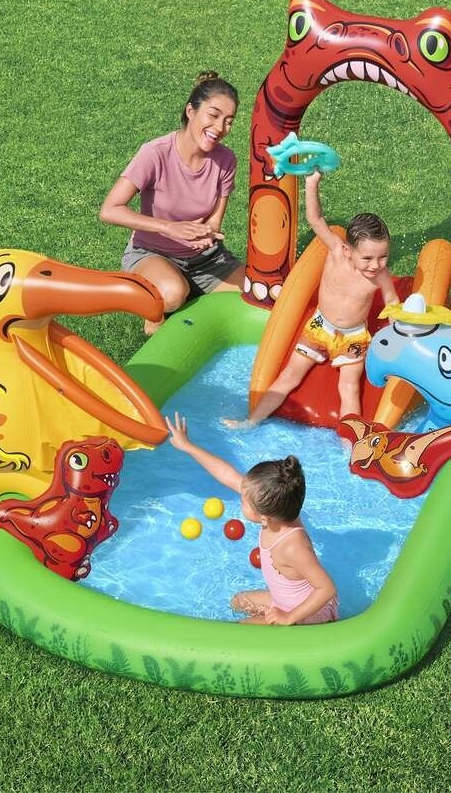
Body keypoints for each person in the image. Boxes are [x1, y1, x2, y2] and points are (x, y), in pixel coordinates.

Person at [225, 169, 399, 428]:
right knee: (289, 376)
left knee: (349, 387)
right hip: (320, 327)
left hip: (353, 336)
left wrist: (401, 329)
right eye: (367, 258)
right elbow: (315, 219)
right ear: (347, 250)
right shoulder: (335, 251)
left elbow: (392, 302)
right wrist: (312, 183)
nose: (376, 264)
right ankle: (250, 422)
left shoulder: (380, 275)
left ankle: (351, 443)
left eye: (383, 256)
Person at [99, 71, 245, 334]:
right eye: (213, 115)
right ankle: (157, 306)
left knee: (256, 294)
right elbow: (110, 210)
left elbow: (214, 220)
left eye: (228, 121)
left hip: (207, 259)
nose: (220, 128)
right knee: (172, 294)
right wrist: (168, 227)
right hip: (153, 253)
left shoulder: (226, 160)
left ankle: (190, 287)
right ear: (191, 111)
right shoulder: (155, 153)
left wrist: (208, 233)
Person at [165, 413, 338, 625]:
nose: (240, 499)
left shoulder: (293, 547)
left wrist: (289, 617)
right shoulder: (278, 505)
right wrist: (188, 446)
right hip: (285, 600)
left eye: (243, 502)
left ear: (264, 518)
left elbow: (327, 589)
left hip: (308, 614)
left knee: (239, 630)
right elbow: (227, 474)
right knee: (238, 602)